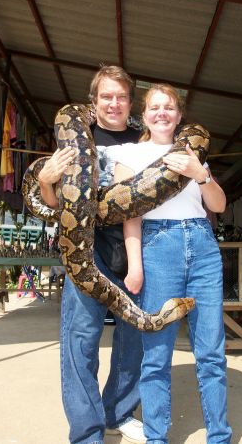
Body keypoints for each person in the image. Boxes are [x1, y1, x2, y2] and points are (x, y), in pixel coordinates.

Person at [114, 83, 232, 443]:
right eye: (155, 107)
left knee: (211, 352)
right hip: (157, 246)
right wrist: (135, 266)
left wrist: (201, 174)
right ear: (144, 114)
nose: (162, 112)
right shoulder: (129, 156)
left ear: (179, 115)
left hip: (202, 246)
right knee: (156, 355)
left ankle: (219, 436)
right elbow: (128, 216)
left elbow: (219, 206)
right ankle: (156, 437)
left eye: (169, 107)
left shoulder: (193, 154)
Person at [38, 66, 145, 444]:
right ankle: (86, 430)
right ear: (93, 101)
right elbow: (53, 205)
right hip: (86, 247)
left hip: (136, 246)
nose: (113, 103)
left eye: (120, 97)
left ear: (130, 102)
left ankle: (120, 410)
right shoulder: (73, 136)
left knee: (134, 335)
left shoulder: (144, 137)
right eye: (106, 96)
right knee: (81, 338)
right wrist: (45, 180)